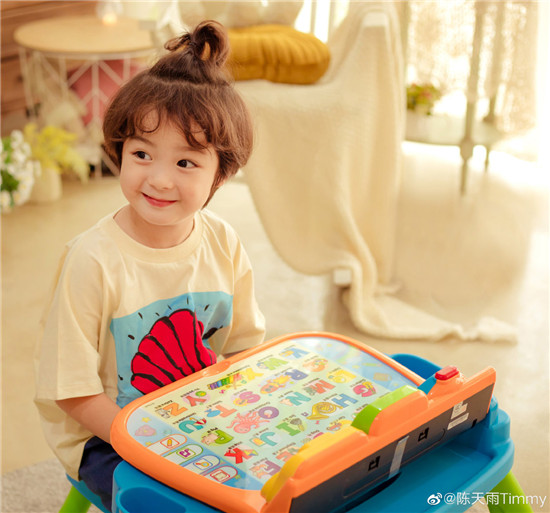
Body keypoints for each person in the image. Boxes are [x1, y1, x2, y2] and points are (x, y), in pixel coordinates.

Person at [34, 20, 265, 512]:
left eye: (185, 163)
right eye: (142, 153)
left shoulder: (223, 242)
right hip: (105, 437)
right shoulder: (91, 259)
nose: (159, 179)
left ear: (220, 174)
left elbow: (244, 350)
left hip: (197, 420)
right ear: (119, 151)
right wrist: (153, 439)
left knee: (278, 482)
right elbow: (72, 392)